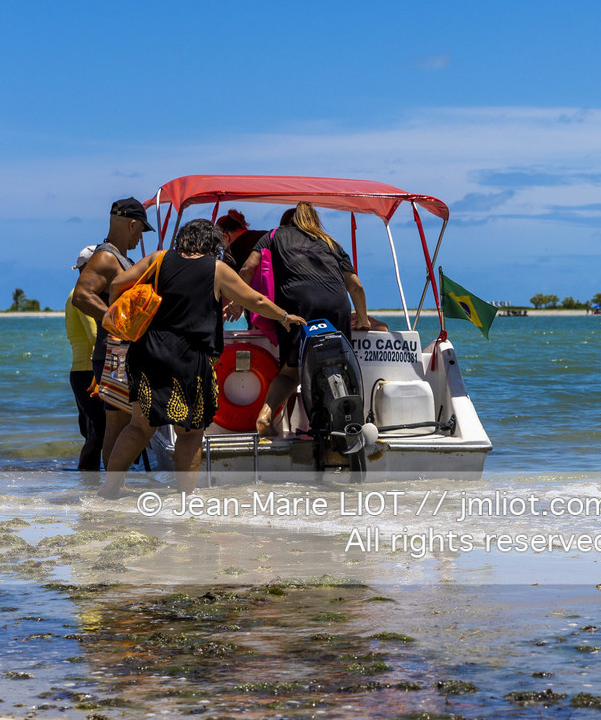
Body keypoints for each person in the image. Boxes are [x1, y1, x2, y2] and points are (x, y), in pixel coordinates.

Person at [102, 218, 304, 496]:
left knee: (139, 427)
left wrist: (125, 318)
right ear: (212, 245)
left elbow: (117, 284)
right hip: (188, 359)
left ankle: (110, 490)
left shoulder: (158, 260)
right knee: (190, 433)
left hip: (147, 353)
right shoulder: (216, 269)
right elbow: (254, 301)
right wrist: (284, 316)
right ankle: (186, 497)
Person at [239, 202, 384, 434]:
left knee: (290, 372)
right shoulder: (331, 242)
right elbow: (355, 286)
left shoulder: (273, 236)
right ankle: (346, 422)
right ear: (315, 220)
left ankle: (265, 416)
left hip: (298, 308)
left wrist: (238, 300)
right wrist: (364, 320)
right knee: (342, 363)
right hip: (336, 306)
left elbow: (248, 268)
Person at [70, 197, 153, 466]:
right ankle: (113, 490)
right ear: (132, 225)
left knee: (119, 427)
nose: (140, 238)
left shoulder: (119, 257)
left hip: (118, 354)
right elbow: (81, 295)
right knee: (119, 427)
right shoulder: (106, 256)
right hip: (114, 355)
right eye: (141, 231)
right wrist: (116, 322)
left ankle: (112, 489)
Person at [64, 245, 107, 470]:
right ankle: (86, 477)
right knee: (100, 430)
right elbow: (95, 336)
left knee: (94, 430)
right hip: (89, 372)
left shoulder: (76, 294)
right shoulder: (82, 296)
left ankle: (88, 482)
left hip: (81, 371)